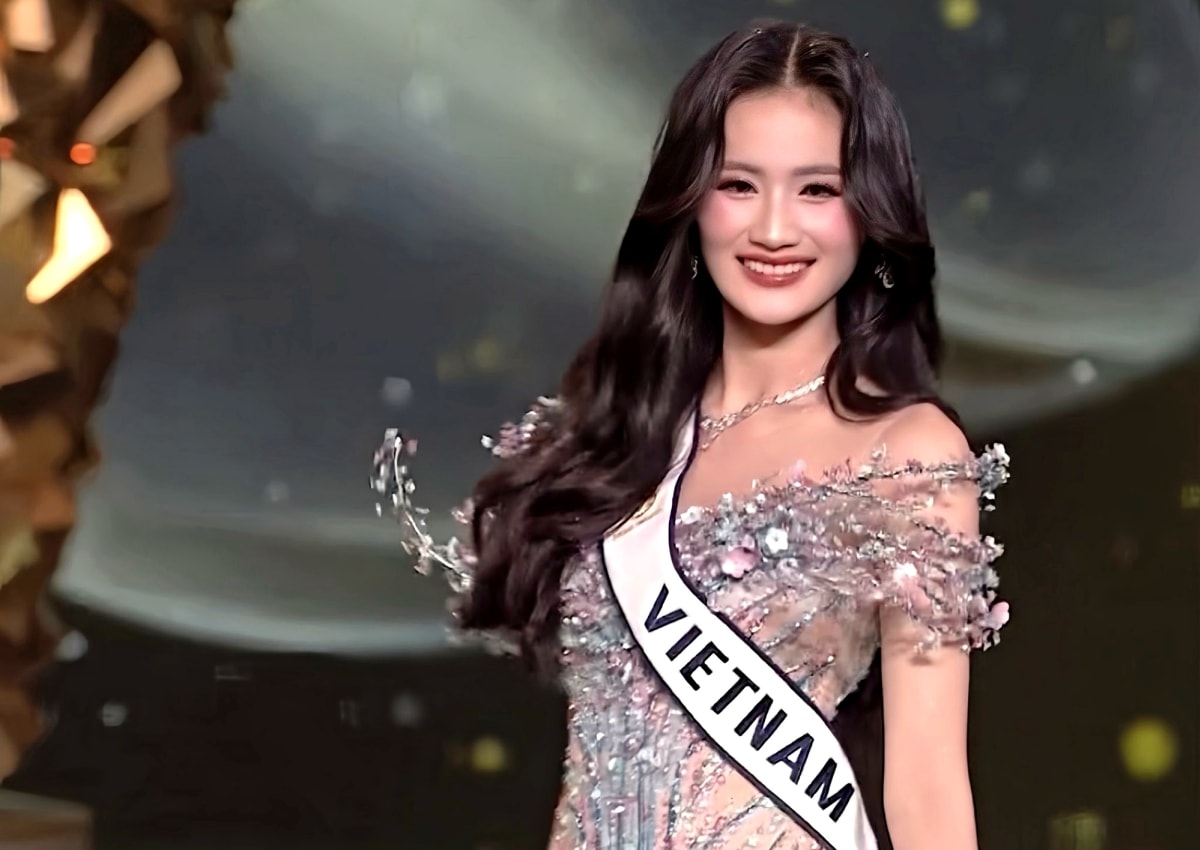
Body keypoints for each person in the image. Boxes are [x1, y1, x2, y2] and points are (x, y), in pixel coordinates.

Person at [376, 18, 1011, 850]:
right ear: (691, 201)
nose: (774, 229)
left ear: (867, 213)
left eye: (817, 190)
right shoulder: (618, 438)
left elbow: (927, 785)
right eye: (739, 185)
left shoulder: (906, 453)